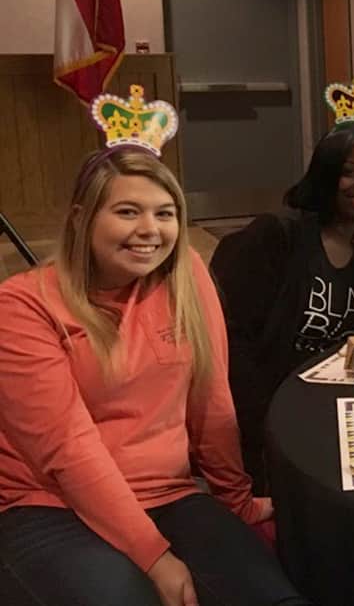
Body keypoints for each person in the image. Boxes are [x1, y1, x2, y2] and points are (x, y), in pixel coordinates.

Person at [0, 146, 306, 605]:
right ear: (81, 218)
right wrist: (153, 556)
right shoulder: (22, 305)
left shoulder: (188, 276)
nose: (150, 230)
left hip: (168, 492)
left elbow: (211, 399)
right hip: (49, 503)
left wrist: (234, 500)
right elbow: (69, 449)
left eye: (165, 213)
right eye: (127, 211)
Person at [211, 119, 354, 492]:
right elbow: (232, 344)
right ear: (325, 174)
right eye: (350, 172)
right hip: (269, 419)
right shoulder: (277, 237)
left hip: (340, 414)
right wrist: (265, 427)